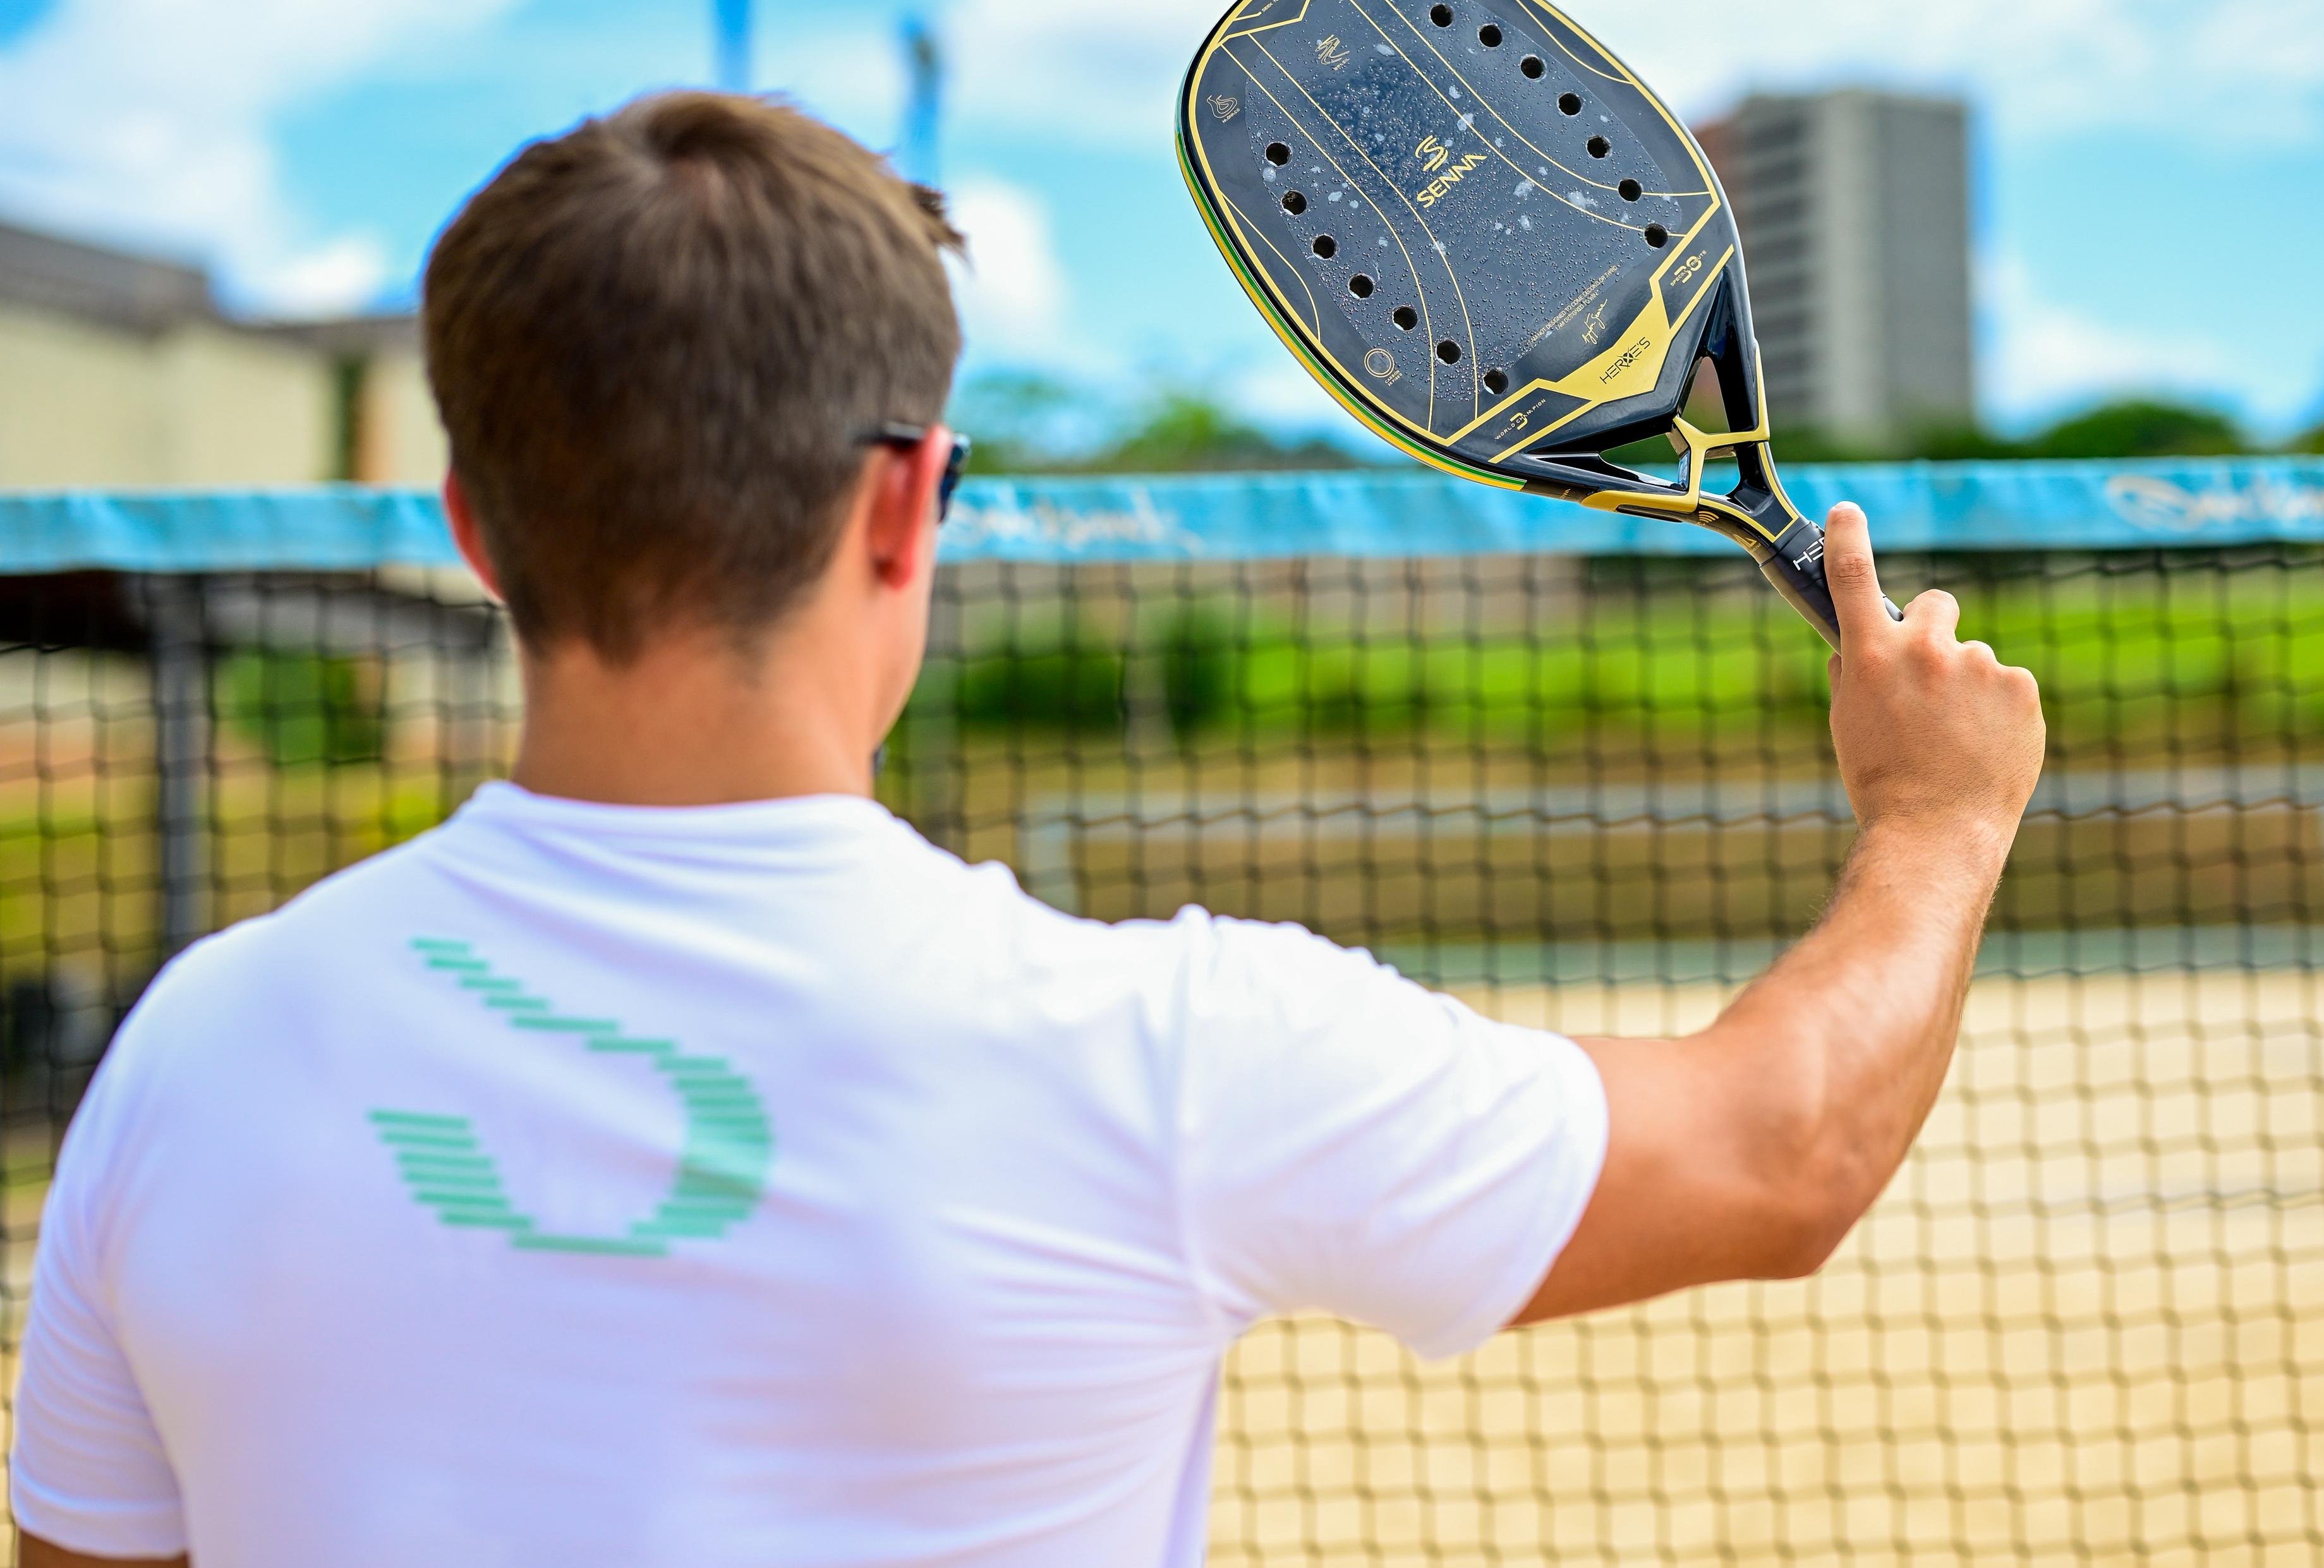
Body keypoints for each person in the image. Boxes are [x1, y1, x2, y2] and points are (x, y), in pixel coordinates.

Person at [9, 92, 2043, 1568]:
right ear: (910, 501)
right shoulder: (1168, 1053)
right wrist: (1935, 821)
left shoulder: (193, 1053)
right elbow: (1783, 1154)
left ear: (472, 527)